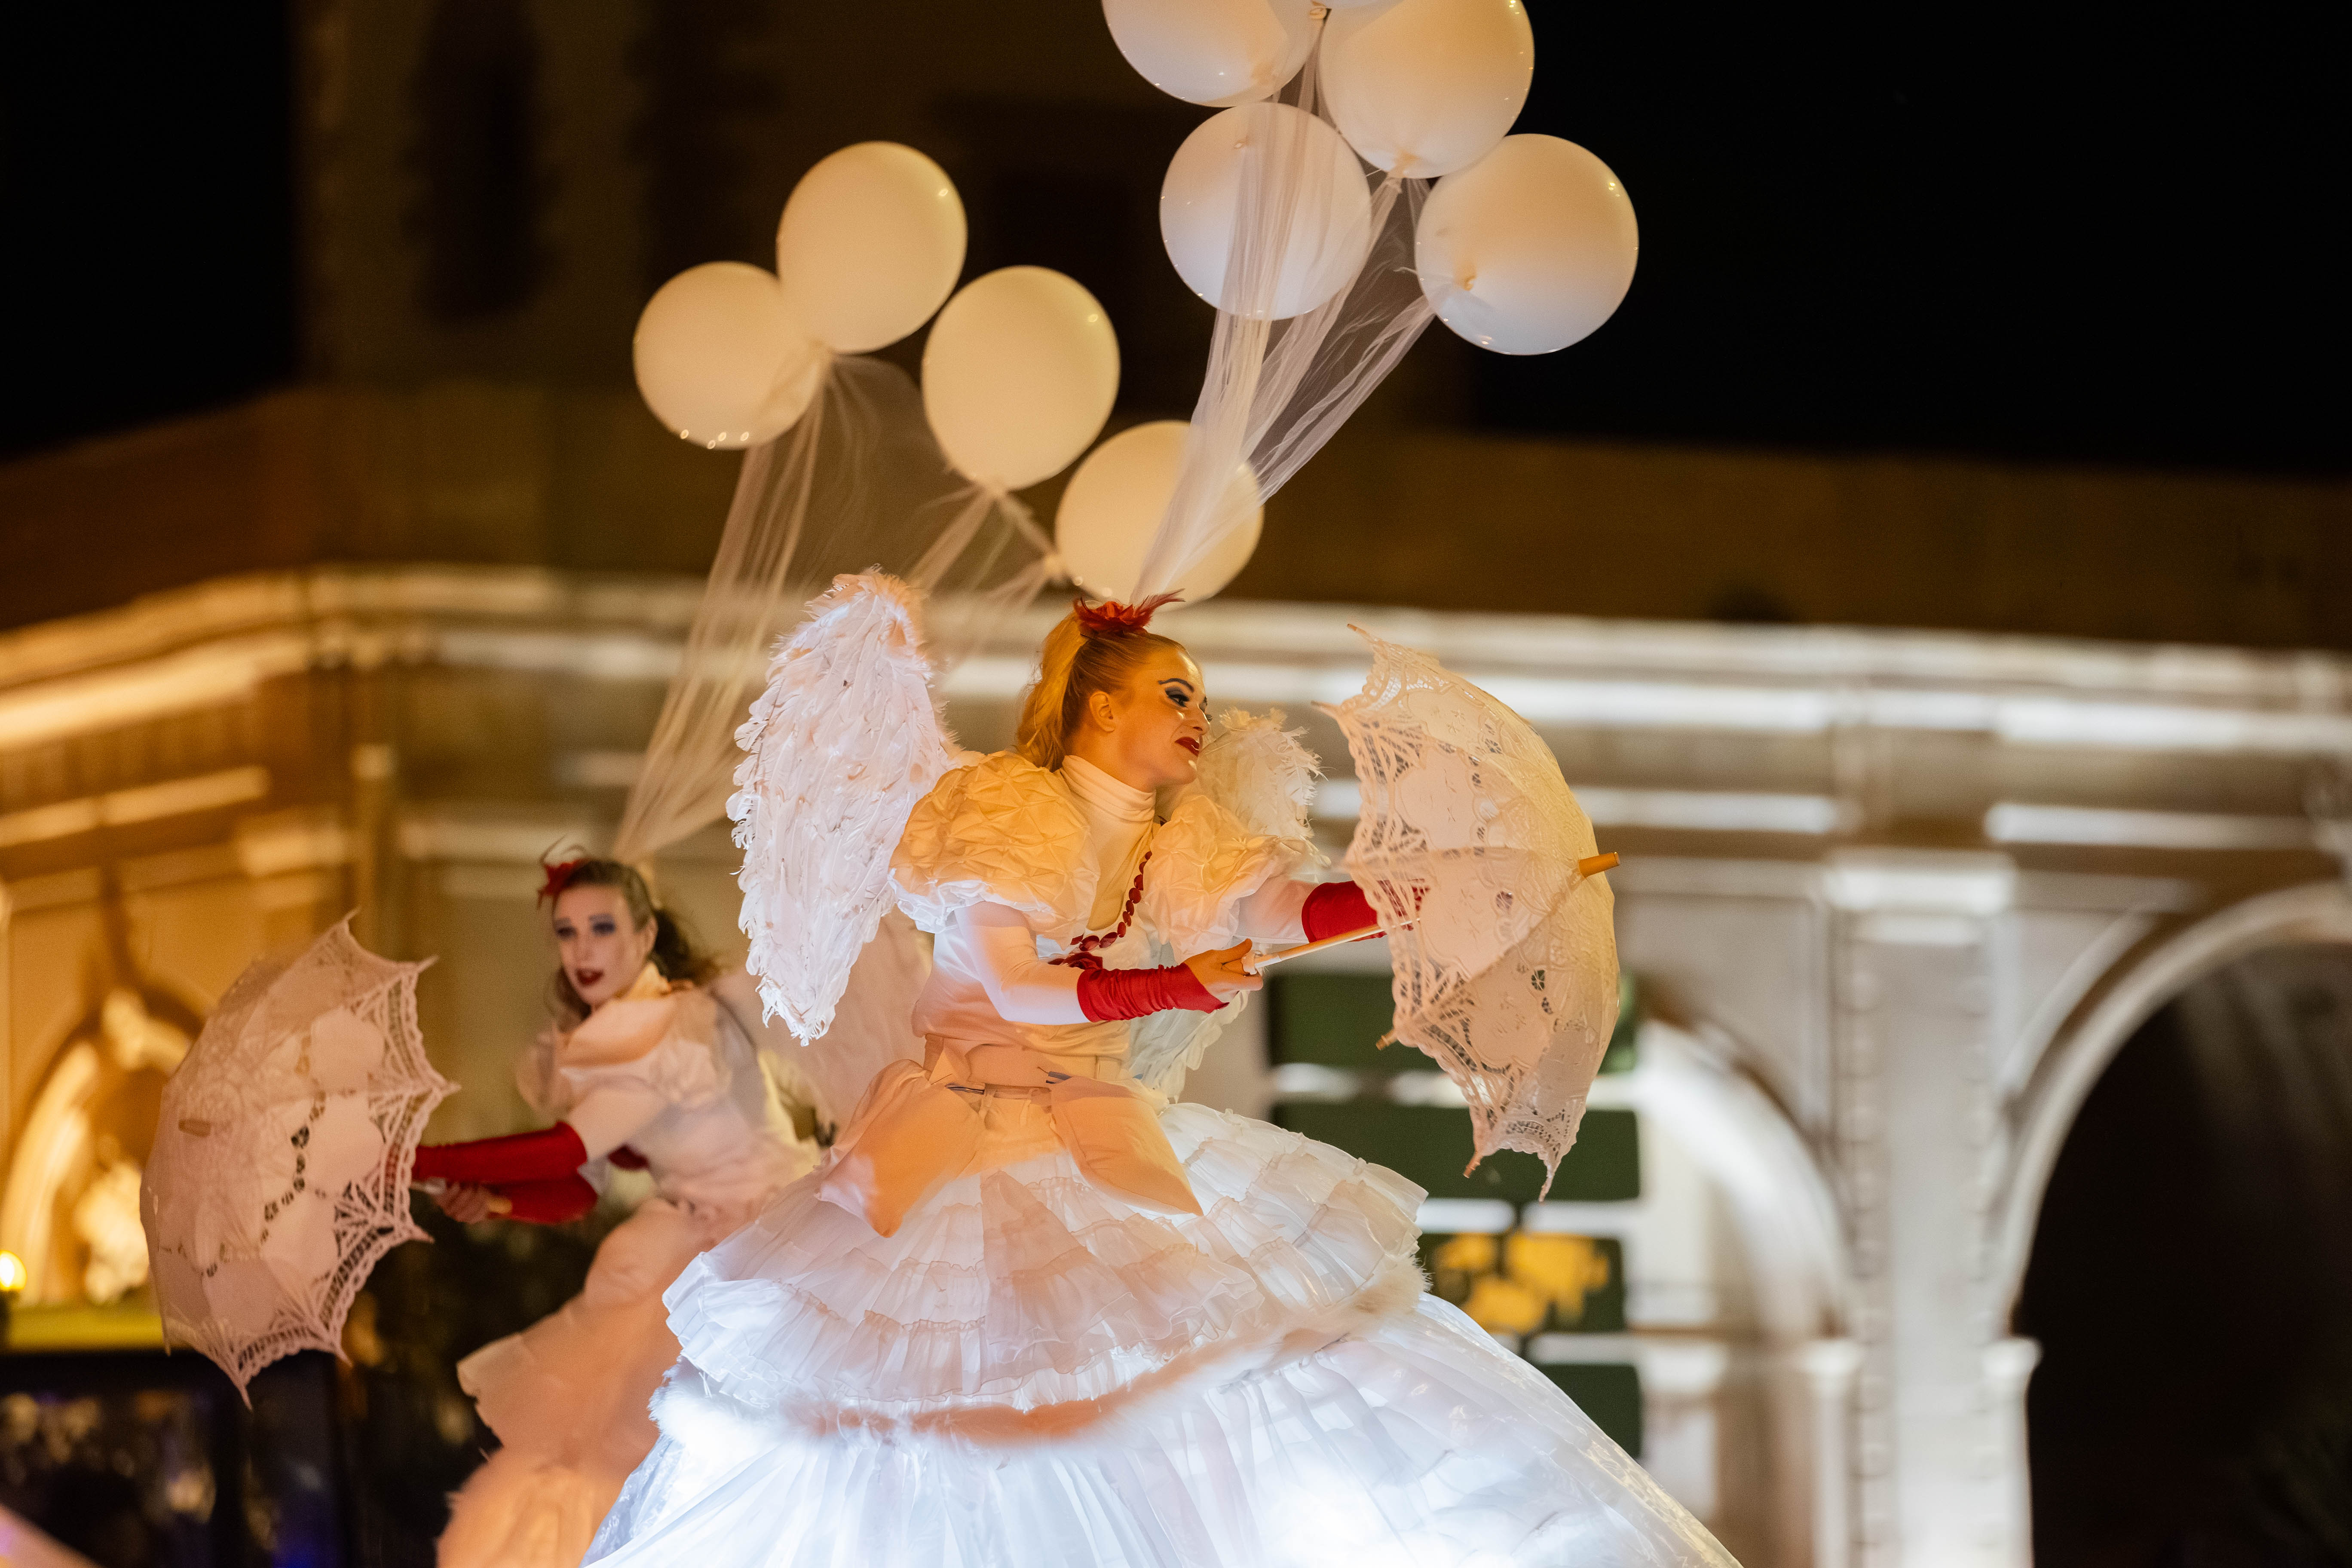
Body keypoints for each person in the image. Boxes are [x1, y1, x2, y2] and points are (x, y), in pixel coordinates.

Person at [584, 591, 1737, 1567]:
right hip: (962, 1151)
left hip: (1100, 1140)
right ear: (1102, 704)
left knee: (1200, 1396)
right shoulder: (1010, 810)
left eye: (1199, 695)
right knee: (943, 1433)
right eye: (1176, 693)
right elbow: (1019, 985)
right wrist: (1170, 987)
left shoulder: (1184, 846)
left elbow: (1282, 913)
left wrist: (1433, 891)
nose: (1201, 716)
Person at [411, 858, 821, 1568]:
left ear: (646, 933)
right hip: (690, 1234)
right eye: (568, 933)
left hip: (771, 1242)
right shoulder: (603, 1040)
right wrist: (499, 1202)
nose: (583, 950)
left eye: (602, 928)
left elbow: (567, 1146)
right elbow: (581, 1183)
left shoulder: (679, 1025)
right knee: (611, 1438)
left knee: (719, 1442)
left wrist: (411, 1161)